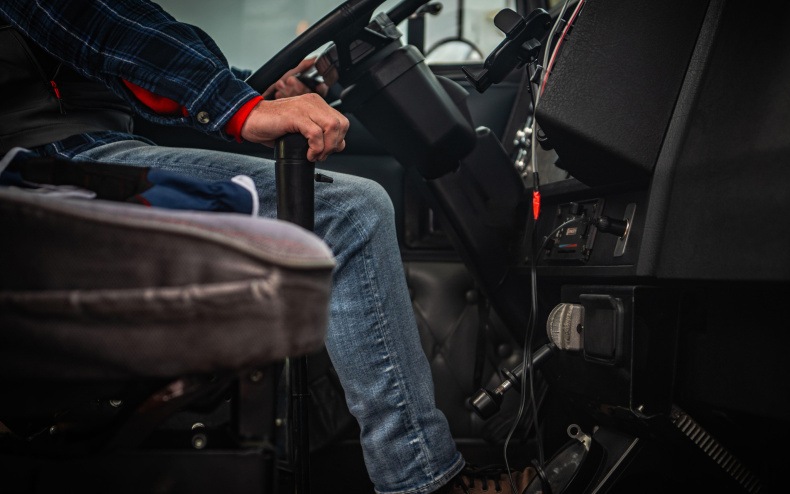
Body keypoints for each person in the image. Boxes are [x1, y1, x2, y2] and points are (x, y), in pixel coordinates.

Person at [0, 2, 535, 493]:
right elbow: (96, 23)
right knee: (351, 213)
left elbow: (128, 68)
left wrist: (246, 88)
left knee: (337, 209)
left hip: (82, 149)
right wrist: (238, 105)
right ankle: (423, 481)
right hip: (41, 166)